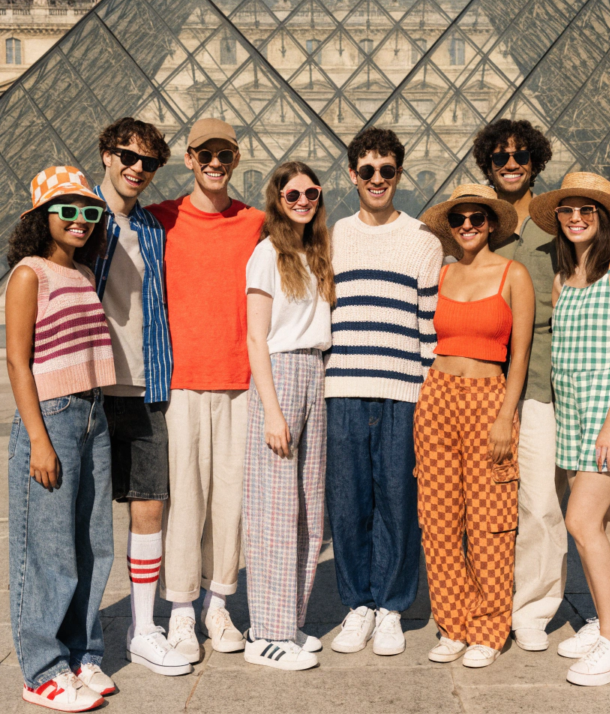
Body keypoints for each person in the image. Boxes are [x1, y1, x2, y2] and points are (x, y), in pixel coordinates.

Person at [530, 172, 610, 686]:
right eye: (568, 210)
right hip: (578, 411)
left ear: (603, 218)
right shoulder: (566, 277)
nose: (576, 217)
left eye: (587, 210)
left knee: (581, 521)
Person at [146, 118, 265, 662]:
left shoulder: (256, 222)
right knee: (185, 503)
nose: (216, 162)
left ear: (235, 160)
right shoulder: (158, 220)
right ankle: (180, 610)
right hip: (183, 382)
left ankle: (218, 602)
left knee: (231, 503)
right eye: (206, 154)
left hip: (240, 382)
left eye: (226, 154)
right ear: (189, 159)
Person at [324, 127, 443, 656]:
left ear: (399, 173)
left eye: (387, 170)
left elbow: (429, 328)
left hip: (403, 391)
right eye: (367, 170)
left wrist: (424, 394)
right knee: (348, 504)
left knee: (398, 501)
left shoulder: (423, 239)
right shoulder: (330, 237)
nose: (377, 179)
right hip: (344, 387)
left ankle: (391, 606)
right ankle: (357, 604)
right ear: (352, 175)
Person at [6, 167, 116, 711]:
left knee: (93, 543)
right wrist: (38, 438)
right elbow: (17, 361)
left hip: (93, 414)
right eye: (66, 209)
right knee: (47, 549)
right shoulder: (30, 273)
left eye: (88, 211)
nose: (79, 220)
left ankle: (80, 653)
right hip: (54, 418)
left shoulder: (84, 272)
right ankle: (41, 670)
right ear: (41, 217)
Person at [416, 184, 534, 667]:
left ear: (491, 224)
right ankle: (453, 623)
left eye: (477, 218)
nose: (467, 225)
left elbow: (520, 353)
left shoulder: (514, 274)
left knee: (489, 519)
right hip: (438, 395)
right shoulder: (443, 273)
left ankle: (487, 627)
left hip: (489, 399)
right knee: (439, 519)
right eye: (460, 219)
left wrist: (506, 413)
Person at [91, 118, 191, 677]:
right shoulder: (79, 215)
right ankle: (79, 635)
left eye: (149, 163)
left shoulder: (154, 228)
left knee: (149, 505)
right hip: (91, 386)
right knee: (86, 514)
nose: (136, 168)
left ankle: (144, 627)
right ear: (106, 154)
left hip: (148, 382)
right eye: (127, 156)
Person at [471, 119, 568, 652]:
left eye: (521, 156)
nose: (511, 164)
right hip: (481, 382)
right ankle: (488, 597)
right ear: (488, 164)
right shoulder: (476, 220)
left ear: (535, 161)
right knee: (483, 503)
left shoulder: (557, 223)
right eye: (501, 157)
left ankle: (532, 606)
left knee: (538, 501)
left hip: (538, 383)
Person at [242, 162, 334, 670]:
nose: (302, 199)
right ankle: (266, 634)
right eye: (292, 192)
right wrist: (273, 411)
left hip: (314, 373)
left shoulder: (315, 252)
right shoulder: (266, 253)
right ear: (276, 197)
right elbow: (256, 337)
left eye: (311, 191)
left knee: (307, 508)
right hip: (278, 374)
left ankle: (288, 619)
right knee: (274, 510)